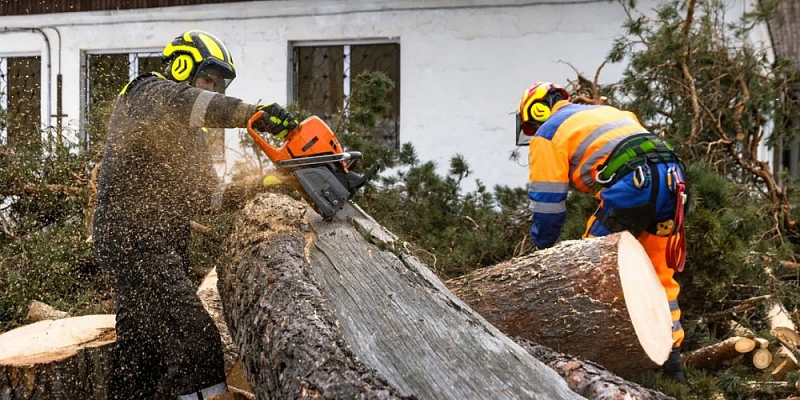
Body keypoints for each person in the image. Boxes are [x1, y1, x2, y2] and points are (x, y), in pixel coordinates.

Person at [92, 30, 298, 399]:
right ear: (183, 65)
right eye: (209, 78)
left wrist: (264, 182)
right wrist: (256, 115)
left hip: (160, 246)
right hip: (133, 242)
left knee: (141, 357)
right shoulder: (146, 92)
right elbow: (192, 103)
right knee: (194, 342)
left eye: (220, 84)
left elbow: (207, 198)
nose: (214, 89)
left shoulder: (192, 138)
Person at [516, 81, 689, 382]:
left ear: (538, 109)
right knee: (660, 272)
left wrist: (543, 250)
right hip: (674, 180)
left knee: (588, 269)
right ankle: (673, 364)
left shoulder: (547, 133)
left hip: (632, 184)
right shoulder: (609, 112)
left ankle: (588, 360)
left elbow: (547, 201)